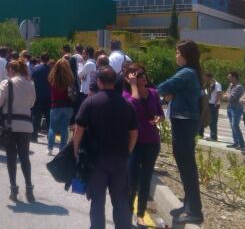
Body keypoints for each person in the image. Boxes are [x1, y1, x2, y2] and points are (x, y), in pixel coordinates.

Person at [73, 68, 138, 229]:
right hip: (120, 160)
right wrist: (127, 151)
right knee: (121, 200)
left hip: (96, 161)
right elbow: (134, 133)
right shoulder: (127, 105)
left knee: (97, 201)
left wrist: (76, 152)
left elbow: (78, 130)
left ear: (99, 83)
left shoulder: (90, 102)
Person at [157, 40, 204, 225]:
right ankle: (188, 205)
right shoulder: (191, 73)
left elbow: (164, 86)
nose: (175, 56)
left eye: (177, 52)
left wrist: (152, 93)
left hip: (184, 122)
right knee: (185, 165)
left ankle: (195, 210)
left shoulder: (186, 73)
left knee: (187, 166)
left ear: (185, 55)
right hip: (185, 121)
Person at [123, 64, 163, 228]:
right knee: (132, 179)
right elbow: (134, 107)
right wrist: (133, 87)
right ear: (131, 78)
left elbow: (160, 112)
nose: (144, 76)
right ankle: (127, 210)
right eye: (139, 74)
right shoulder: (126, 95)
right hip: (135, 142)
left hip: (152, 141)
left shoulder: (153, 93)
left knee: (146, 179)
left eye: (144, 73)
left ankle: (140, 214)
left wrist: (159, 119)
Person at [0, 60, 36, 202]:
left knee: (11, 157)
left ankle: (13, 188)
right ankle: (29, 188)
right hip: (26, 125)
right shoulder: (30, 83)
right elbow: (32, 103)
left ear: (12, 69)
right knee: (25, 157)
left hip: (10, 124)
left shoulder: (7, 83)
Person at [47, 59, 75, 155]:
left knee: (52, 128)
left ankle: (50, 148)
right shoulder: (70, 78)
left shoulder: (52, 78)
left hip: (55, 105)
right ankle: (62, 149)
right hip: (67, 105)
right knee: (64, 128)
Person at [30, 54, 51, 142]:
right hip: (48, 95)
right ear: (48, 60)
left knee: (36, 116)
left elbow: (31, 80)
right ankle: (50, 137)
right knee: (49, 117)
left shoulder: (35, 69)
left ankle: (34, 136)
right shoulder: (51, 69)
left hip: (37, 95)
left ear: (41, 59)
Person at [224, 71, 245, 150]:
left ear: (234, 77)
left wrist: (227, 96)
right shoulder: (231, 85)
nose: (228, 78)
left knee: (235, 126)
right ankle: (236, 143)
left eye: (229, 77)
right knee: (232, 126)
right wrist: (227, 96)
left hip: (236, 108)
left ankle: (242, 144)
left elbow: (231, 97)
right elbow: (225, 95)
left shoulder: (239, 87)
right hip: (230, 107)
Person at [201, 73, 222, 141]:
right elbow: (206, 94)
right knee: (204, 119)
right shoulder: (207, 84)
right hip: (207, 104)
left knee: (213, 121)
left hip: (213, 105)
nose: (204, 78)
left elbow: (219, 93)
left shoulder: (216, 84)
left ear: (209, 77)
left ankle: (213, 136)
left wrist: (217, 102)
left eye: (205, 77)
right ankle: (201, 134)